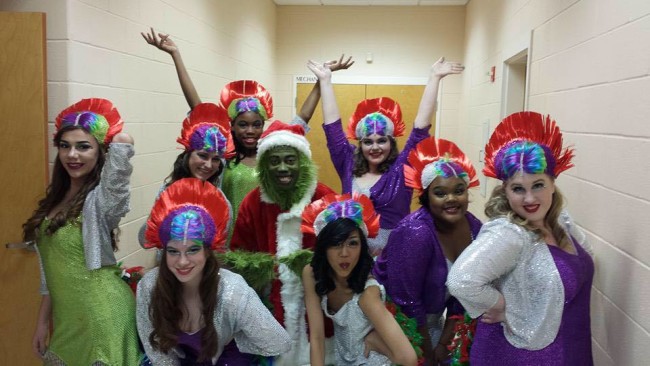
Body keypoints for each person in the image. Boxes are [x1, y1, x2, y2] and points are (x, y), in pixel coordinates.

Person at [141, 28, 353, 231]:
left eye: (256, 125)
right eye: (243, 124)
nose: (250, 130)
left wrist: (322, 79)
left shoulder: (270, 154)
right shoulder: (221, 158)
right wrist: (176, 55)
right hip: (225, 238)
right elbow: (198, 108)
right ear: (231, 125)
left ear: (263, 126)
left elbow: (303, 117)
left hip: (261, 236)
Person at [447, 111, 594, 365]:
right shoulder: (509, 232)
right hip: (522, 354)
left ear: (552, 181)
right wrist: (504, 307)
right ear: (505, 190)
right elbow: (461, 280)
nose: (529, 199)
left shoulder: (560, 221)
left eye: (538, 185)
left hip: (571, 344)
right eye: (518, 189)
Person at [22, 98, 142, 365]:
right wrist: (42, 323)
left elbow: (123, 151)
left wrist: (112, 137)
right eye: (65, 146)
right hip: (67, 320)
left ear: (101, 152)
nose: (72, 155)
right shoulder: (55, 199)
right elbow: (50, 272)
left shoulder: (100, 201)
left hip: (102, 314)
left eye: (83, 147)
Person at [307, 57, 464, 255]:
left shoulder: (401, 169)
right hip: (354, 256)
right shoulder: (347, 163)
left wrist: (434, 78)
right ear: (360, 144)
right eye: (367, 141)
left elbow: (420, 129)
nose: (375, 147)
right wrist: (325, 81)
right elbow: (333, 129)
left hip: (396, 255)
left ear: (391, 142)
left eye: (382, 140)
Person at [137, 178, 291, 365]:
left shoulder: (232, 291)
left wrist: (237, 335)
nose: (182, 261)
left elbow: (278, 342)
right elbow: (155, 348)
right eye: (173, 251)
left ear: (208, 251)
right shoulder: (150, 287)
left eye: (193, 250)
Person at [230, 121, 336, 364]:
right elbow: (239, 255)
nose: (282, 167)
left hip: (321, 309)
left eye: (290, 159)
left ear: (302, 161)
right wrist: (267, 268)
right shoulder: (252, 203)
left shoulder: (324, 198)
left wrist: (315, 266)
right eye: (274, 160)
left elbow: (346, 252)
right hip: (273, 307)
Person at [372, 137, 482, 365]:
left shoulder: (476, 229)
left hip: (432, 317)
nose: (451, 199)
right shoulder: (414, 232)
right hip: (392, 318)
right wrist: (427, 353)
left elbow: (467, 292)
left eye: (459, 191)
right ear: (426, 198)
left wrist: (445, 343)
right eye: (440, 193)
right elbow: (406, 300)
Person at [302, 193, 418, 366]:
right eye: (335, 243)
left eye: (352, 243)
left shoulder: (367, 295)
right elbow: (317, 337)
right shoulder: (311, 273)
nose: (344, 254)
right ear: (324, 247)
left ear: (362, 246)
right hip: (344, 359)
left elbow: (409, 359)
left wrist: (375, 342)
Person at [137, 102, 233, 248]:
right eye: (202, 155)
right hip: (168, 266)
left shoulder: (220, 201)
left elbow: (220, 250)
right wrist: (162, 208)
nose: (208, 165)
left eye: (215, 159)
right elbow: (145, 241)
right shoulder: (168, 190)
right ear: (188, 155)